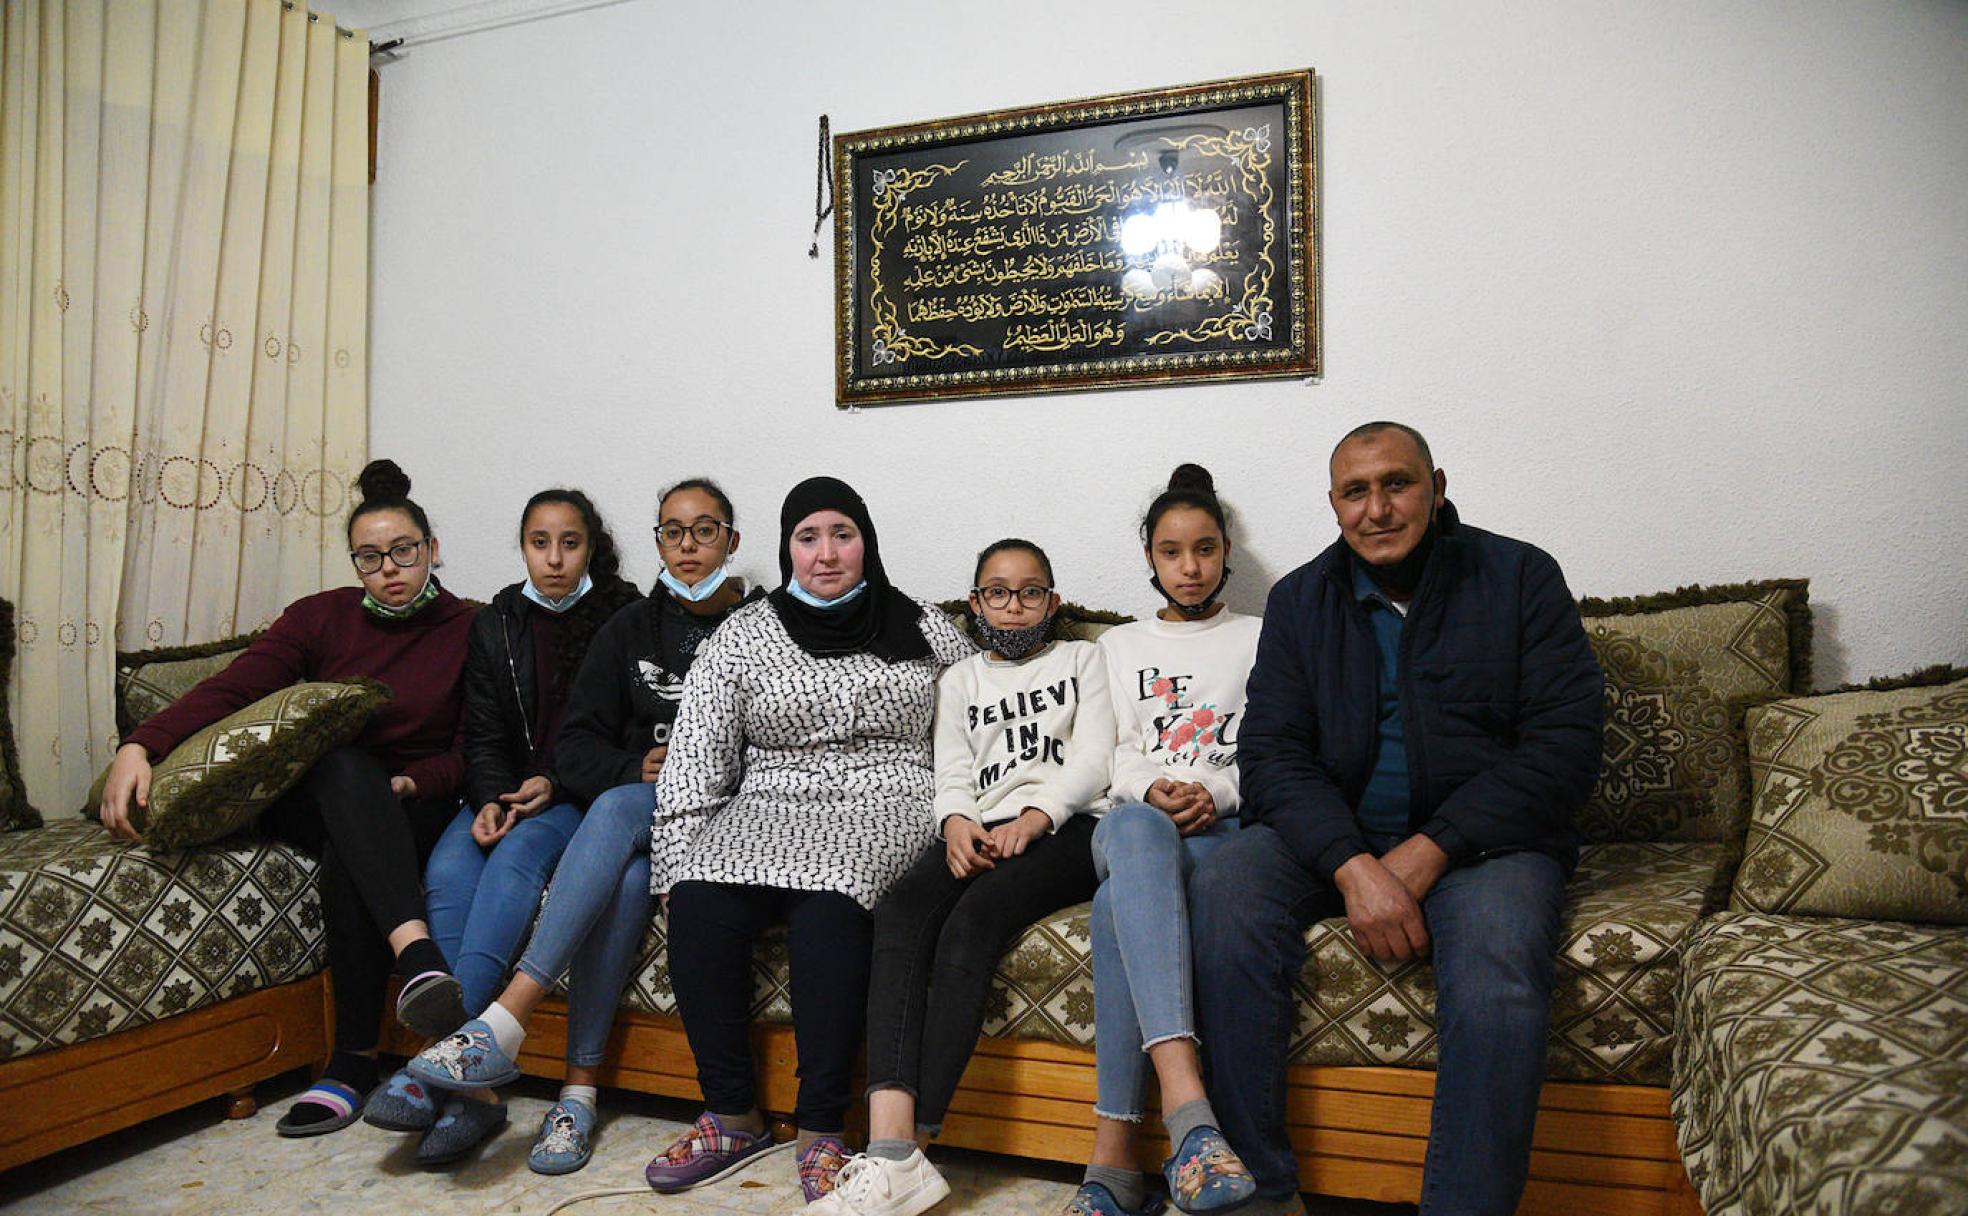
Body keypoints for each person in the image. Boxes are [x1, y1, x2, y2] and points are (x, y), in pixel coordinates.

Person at [1192, 422, 1604, 1216]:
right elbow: (1272, 756)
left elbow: (1565, 745)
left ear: (1437, 487)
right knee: (1223, 893)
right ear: (1334, 504)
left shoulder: (1519, 576)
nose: (1377, 509)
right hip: (1336, 837)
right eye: (1356, 491)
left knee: (1498, 973)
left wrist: (1431, 850)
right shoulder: (1300, 599)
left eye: (1397, 484)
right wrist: (1353, 864)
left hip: (1490, 846)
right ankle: (1262, 1195)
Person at [97, 459, 477, 1137]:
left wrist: (420, 781)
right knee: (342, 767)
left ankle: (352, 1061)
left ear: (432, 550)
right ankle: (417, 955)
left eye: (403, 552)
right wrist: (141, 745)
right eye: (369, 557)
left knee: (349, 854)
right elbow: (234, 690)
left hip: (412, 802)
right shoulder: (319, 617)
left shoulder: (473, 628)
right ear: (354, 562)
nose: (388, 569)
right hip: (320, 792)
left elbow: (476, 747)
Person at [402, 478, 757, 1174]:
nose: (688, 546)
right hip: (646, 811)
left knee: (614, 811)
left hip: (729, 811)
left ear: (731, 541)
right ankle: (577, 1092)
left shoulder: (762, 626)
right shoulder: (630, 629)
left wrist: (690, 769)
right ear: (656, 541)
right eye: (674, 532)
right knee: (623, 876)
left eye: (705, 530)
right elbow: (578, 746)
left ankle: (498, 1024)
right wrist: (635, 765)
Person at [639, 476, 972, 1205]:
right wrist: (674, 863)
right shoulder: (744, 634)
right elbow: (696, 755)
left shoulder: (924, 626)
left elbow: (979, 719)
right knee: (697, 901)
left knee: (831, 906)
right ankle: (732, 1115)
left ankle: (821, 1127)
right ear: (788, 547)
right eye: (808, 538)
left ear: (867, 541)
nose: (827, 554)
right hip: (770, 800)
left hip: (888, 799)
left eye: (842, 535)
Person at [818, 539, 1114, 1216]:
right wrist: (955, 824)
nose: (1015, 608)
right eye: (999, 593)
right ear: (975, 604)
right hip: (978, 824)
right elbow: (951, 769)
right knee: (900, 911)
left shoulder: (1083, 658)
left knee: (973, 922)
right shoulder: (960, 680)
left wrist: (1038, 816)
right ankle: (887, 1146)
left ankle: (918, 1148)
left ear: (1054, 601)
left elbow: (1096, 756)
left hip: (1067, 828)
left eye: (1031, 591)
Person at [371, 488, 638, 1162]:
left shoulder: (623, 613)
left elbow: (617, 731)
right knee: (450, 865)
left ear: (591, 548)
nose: (553, 559)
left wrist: (551, 786)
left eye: (569, 543)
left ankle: (453, 1068)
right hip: (506, 790)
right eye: (538, 543)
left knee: (516, 858)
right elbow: (483, 728)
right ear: (522, 547)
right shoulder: (497, 621)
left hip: (574, 794)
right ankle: (465, 1083)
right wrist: (489, 794)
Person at [1061, 464, 1264, 1216]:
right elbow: (1104, 749)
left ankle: (1113, 1166)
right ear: (1149, 555)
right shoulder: (1116, 645)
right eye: (1173, 551)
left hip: (1220, 829)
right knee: (1137, 834)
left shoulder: (1259, 637)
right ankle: (1190, 1114)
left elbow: (1274, 749)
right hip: (1130, 819)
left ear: (1225, 552)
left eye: (1205, 549)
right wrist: (1151, 789)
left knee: (1119, 905)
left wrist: (1211, 792)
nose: (1190, 567)